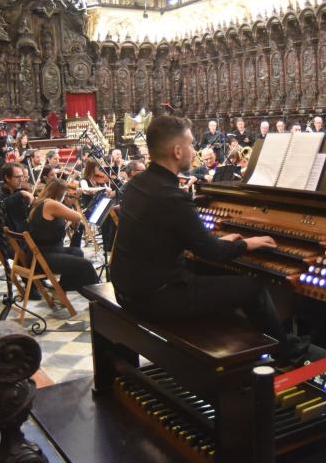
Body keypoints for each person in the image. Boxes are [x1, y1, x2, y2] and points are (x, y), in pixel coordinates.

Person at [111, 115, 309, 363]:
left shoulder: (138, 183)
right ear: (177, 151)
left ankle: (246, 341)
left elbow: (166, 229)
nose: (193, 150)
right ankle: (284, 352)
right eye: (191, 144)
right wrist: (247, 243)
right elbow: (211, 251)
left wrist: (210, 233)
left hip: (127, 290)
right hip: (156, 299)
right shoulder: (172, 197)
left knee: (207, 274)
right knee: (253, 286)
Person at [28, 179, 99, 291]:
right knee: (86, 265)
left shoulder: (40, 202)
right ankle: (99, 297)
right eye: (65, 194)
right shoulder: (51, 204)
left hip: (39, 252)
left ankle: (62, 288)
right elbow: (77, 216)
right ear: (62, 193)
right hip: (42, 257)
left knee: (77, 252)